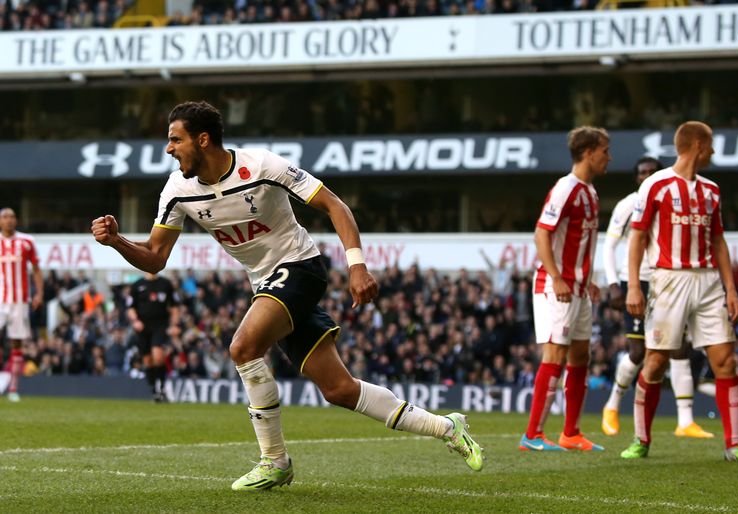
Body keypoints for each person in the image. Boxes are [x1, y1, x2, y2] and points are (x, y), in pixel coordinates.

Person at [91, 101, 483, 491]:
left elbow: (334, 204)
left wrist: (357, 265)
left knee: (243, 347)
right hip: (267, 286)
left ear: (203, 139)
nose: (169, 148)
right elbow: (155, 258)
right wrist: (117, 241)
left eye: (176, 139)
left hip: (301, 268)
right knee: (339, 390)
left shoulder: (262, 166)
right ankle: (448, 427)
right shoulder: (178, 190)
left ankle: (274, 461)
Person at [621, 121, 738, 464]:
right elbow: (637, 236)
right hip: (669, 280)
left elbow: (718, 240)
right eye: (710, 145)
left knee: (725, 360)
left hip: (709, 281)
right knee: (654, 363)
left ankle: (733, 445)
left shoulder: (711, 190)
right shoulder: (656, 185)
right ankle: (641, 439)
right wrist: (635, 285)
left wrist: (731, 288)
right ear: (698, 145)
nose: (713, 152)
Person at [601, 157, 713, 439]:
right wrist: (615, 284)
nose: (648, 175)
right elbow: (609, 246)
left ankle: (685, 421)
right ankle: (612, 406)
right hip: (636, 282)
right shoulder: (629, 204)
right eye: (642, 172)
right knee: (638, 353)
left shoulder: (671, 201)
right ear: (637, 178)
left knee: (678, 348)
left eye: (653, 171)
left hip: (668, 281)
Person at [518, 126, 609, 452]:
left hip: (579, 287)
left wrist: (587, 279)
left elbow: (576, 243)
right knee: (555, 354)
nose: (608, 157)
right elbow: (542, 234)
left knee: (581, 355)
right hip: (555, 287)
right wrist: (557, 276)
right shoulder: (566, 189)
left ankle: (571, 433)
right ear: (587, 152)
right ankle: (533, 434)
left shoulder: (591, 191)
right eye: (604, 151)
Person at [0, 207, 43, 402]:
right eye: (5, 217)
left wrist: (39, 293)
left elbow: (36, 269)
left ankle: (13, 388)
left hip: (19, 300)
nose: (9, 220)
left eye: (12, 217)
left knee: (17, 343)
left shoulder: (26, 242)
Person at [127, 272, 180, 402]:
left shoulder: (165, 284)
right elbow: (130, 307)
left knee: (158, 356)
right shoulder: (137, 285)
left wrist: (174, 324)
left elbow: (174, 307)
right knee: (147, 361)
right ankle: (154, 390)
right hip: (143, 327)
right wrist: (135, 321)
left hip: (160, 326)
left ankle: (161, 386)